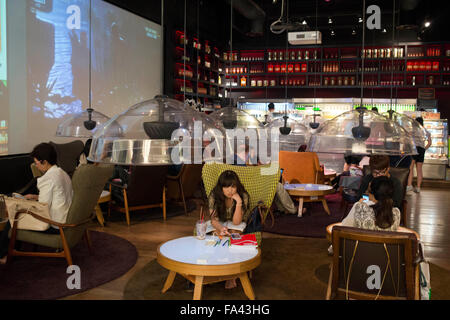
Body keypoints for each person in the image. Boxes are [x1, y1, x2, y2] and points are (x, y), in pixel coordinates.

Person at [0, 143, 73, 264]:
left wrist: (24, 203)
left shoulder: (47, 179)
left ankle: (3, 255)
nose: (36, 166)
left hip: (55, 225)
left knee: (14, 218)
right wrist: (35, 197)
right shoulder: (62, 173)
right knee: (18, 215)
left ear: (44, 162)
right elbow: (59, 196)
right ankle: (12, 250)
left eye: (36, 163)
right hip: (65, 219)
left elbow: (42, 208)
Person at [207, 170, 250, 289]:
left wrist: (239, 202)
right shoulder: (214, 195)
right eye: (226, 187)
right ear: (221, 187)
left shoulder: (243, 196)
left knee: (234, 235)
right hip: (219, 222)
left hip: (237, 223)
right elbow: (213, 219)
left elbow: (237, 222)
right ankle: (216, 268)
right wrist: (221, 228)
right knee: (218, 235)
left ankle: (232, 275)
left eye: (233, 186)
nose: (230, 190)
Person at [407, 117, 432, 194]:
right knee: (419, 169)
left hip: (414, 149)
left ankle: (409, 185)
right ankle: (418, 187)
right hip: (421, 149)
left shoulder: (413, 130)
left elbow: (408, 139)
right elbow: (430, 143)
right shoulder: (426, 131)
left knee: (410, 168)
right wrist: (424, 149)